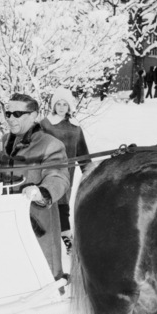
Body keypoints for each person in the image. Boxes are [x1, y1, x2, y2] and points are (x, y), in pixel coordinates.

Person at [0, 93, 69, 314]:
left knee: (42, 272)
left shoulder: (51, 144)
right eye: (8, 113)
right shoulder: (6, 140)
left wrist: (43, 192)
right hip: (11, 220)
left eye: (18, 114)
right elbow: (0, 172)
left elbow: (59, 176)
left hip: (39, 221)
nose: (11, 118)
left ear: (34, 115)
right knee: (18, 270)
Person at [40, 88, 90, 253]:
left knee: (63, 204)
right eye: (58, 104)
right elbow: (36, 146)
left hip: (67, 172)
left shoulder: (75, 127)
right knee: (47, 201)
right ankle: (44, 237)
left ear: (69, 107)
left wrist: (89, 172)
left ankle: (66, 238)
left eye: (65, 104)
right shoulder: (46, 124)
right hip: (47, 169)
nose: (61, 107)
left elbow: (82, 152)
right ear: (54, 106)